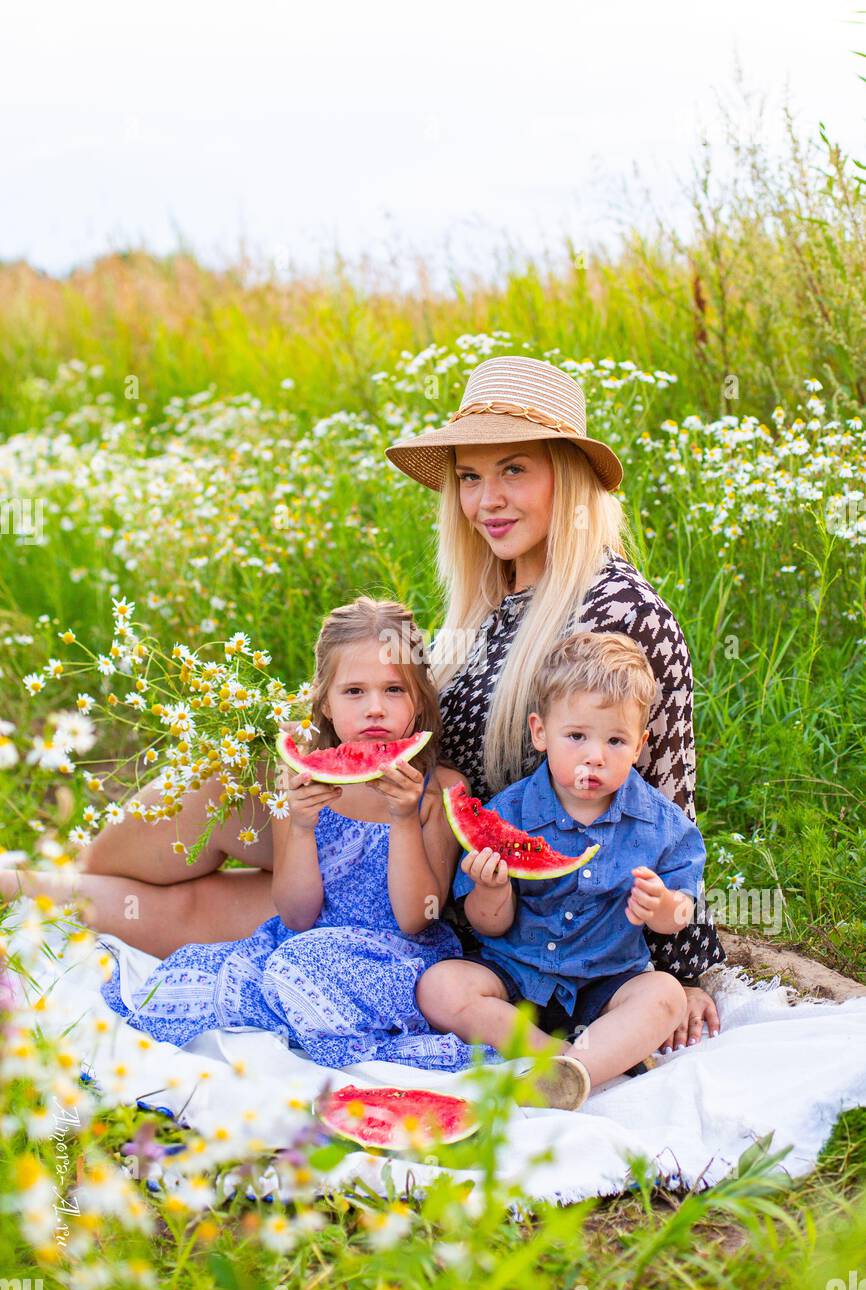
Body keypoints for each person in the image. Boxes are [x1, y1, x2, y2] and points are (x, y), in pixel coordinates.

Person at [385, 353, 724, 1050]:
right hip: (449, 887)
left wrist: (681, 970)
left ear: (566, 480)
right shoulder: (487, 604)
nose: (487, 501)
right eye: (471, 478)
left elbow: (661, 799)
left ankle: (556, 1068)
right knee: (230, 794)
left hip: (537, 929)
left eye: (514, 470)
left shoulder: (619, 611)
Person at [98, 597, 497, 1071]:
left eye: (394, 690)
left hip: (396, 960)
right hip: (307, 943)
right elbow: (295, 913)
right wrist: (302, 827)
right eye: (354, 692)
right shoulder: (302, 780)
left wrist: (404, 819)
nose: (375, 708)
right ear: (324, 701)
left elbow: (415, 918)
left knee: (300, 968)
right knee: (226, 971)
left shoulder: (442, 791)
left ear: (420, 700)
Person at [417, 628, 707, 1109]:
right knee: (440, 986)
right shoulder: (508, 812)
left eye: (616, 741)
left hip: (606, 983)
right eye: (576, 737)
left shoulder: (663, 826)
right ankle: (561, 1060)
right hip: (515, 978)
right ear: (540, 733)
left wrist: (662, 906)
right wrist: (492, 891)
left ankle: (576, 1072)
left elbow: (678, 918)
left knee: (664, 995)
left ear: (640, 745)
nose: (595, 756)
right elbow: (490, 924)